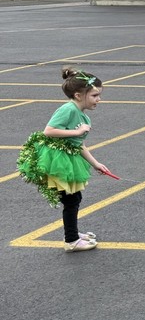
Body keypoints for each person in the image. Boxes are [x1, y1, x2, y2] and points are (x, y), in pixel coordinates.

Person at [16, 67, 110, 252]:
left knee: (73, 198)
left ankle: (73, 233)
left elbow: (78, 144)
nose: (99, 99)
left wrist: (96, 163)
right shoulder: (68, 109)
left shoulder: (80, 112)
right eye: (94, 95)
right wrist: (77, 130)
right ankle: (71, 240)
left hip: (68, 157)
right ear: (78, 95)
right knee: (71, 199)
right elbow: (48, 131)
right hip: (57, 160)